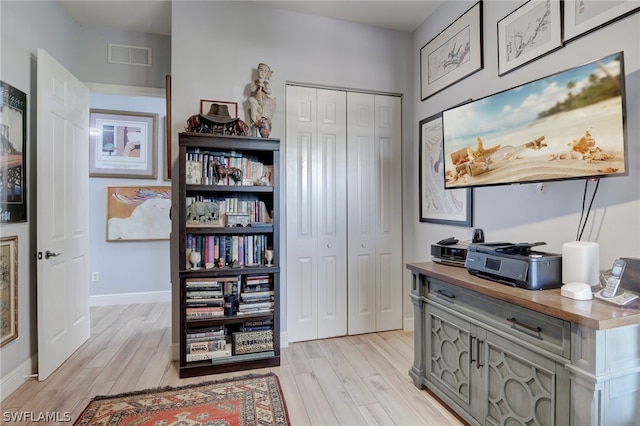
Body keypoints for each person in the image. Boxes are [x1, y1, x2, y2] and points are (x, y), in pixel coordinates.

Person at [249, 63, 276, 128]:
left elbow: (269, 92)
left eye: (265, 71)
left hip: (263, 99)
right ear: (258, 71)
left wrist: (264, 87)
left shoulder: (266, 83)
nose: (262, 73)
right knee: (251, 100)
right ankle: (255, 120)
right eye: (261, 70)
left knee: (268, 103)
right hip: (256, 99)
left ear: (267, 74)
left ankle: (263, 119)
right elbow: (252, 89)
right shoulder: (255, 81)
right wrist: (257, 85)